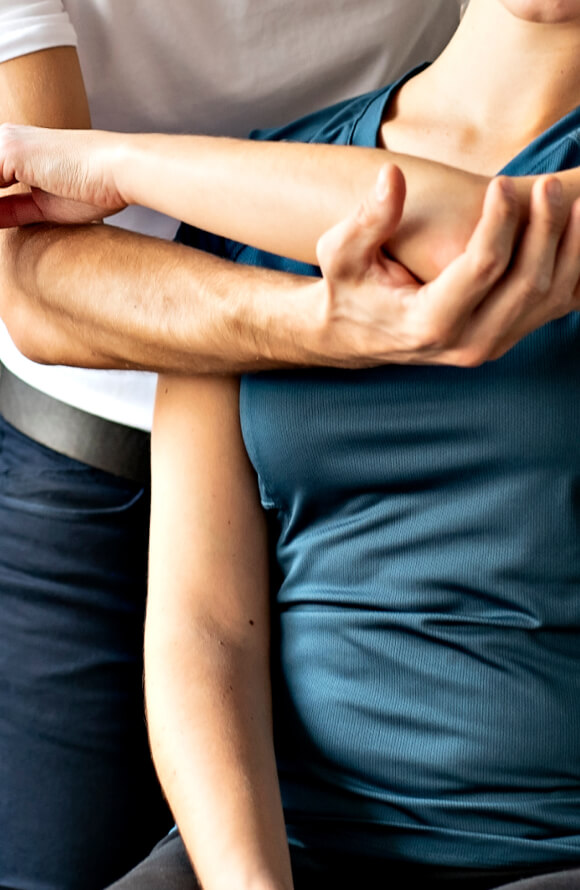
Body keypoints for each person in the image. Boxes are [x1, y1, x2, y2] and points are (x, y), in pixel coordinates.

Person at [13, 0, 579, 888]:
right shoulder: (251, 198)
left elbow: (490, 235)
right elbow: (203, 627)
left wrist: (113, 161)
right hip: (295, 846)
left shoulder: (228, 186)